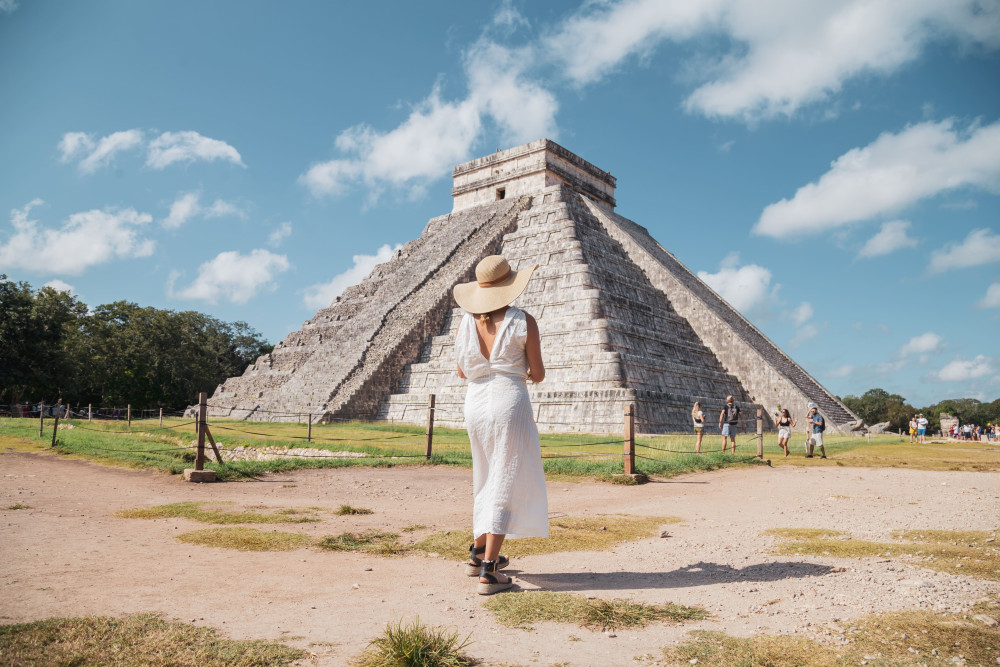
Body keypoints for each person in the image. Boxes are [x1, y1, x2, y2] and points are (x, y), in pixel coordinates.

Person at [453, 255, 548, 595]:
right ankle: (490, 572)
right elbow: (537, 373)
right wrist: (513, 370)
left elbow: (463, 371)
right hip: (509, 401)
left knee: (485, 475)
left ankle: (478, 553)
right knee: (505, 478)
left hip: (475, 404)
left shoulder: (465, 324)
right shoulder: (523, 321)